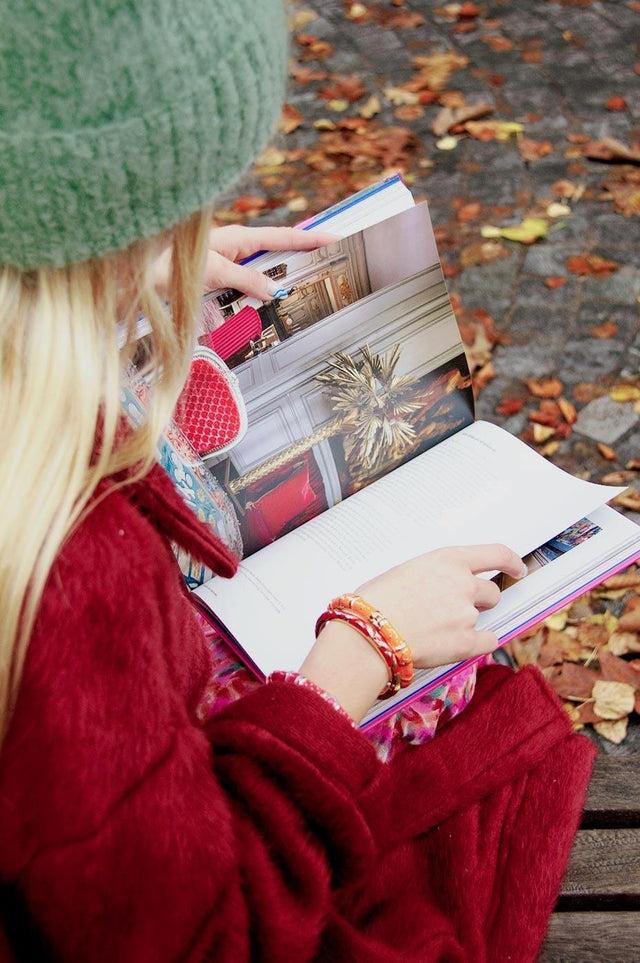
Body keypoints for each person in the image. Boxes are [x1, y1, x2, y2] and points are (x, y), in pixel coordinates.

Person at [0, 1, 595, 960]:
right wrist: (358, 659)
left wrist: (126, 286)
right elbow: (194, 938)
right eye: (170, 214)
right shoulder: (74, 568)